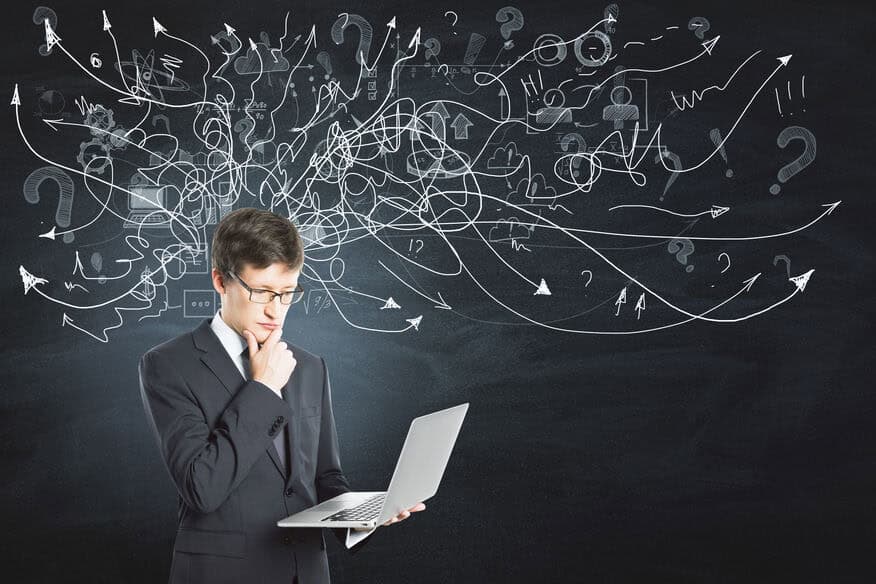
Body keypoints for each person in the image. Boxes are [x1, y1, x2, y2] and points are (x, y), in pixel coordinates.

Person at [139, 208, 424, 584]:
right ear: (221, 281)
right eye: (261, 292)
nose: (275, 310)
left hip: (306, 571)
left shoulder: (309, 366)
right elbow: (201, 488)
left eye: (287, 294)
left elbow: (325, 477)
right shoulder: (168, 365)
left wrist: (364, 516)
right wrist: (262, 389)